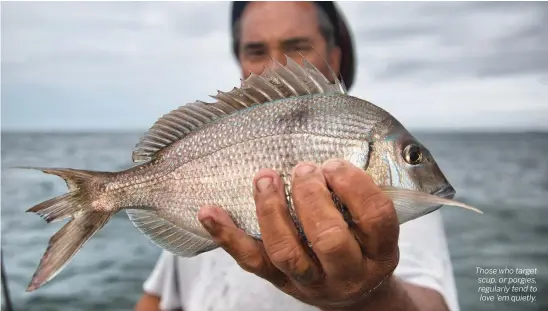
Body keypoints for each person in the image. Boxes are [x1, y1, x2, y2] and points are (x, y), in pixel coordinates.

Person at [134, 2, 460, 311]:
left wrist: (367, 299)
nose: (274, 65)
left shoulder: (393, 206)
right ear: (239, 60)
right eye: (256, 50)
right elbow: (158, 299)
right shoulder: (198, 179)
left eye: (297, 46)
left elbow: (433, 303)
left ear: (335, 54)